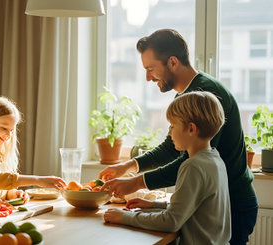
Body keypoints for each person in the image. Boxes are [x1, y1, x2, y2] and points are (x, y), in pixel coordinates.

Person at [99, 29, 258, 244]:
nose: (147, 78)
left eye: (150, 69)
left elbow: (189, 161)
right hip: (219, 202)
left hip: (232, 202)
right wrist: (129, 166)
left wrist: (135, 183)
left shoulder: (204, 95)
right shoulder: (187, 94)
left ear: (173, 62)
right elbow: (170, 147)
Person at [104, 91, 231, 244]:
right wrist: (153, 204)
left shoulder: (193, 166)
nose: (169, 132)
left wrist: (125, 217)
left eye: (172, 126)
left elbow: (171, 222)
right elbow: (190, 205)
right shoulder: (215, 160)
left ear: (191, 129)